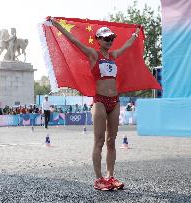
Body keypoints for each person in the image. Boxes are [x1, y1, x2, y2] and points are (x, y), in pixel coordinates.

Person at [49, 17, 140, 191]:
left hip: (115, 101)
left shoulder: (113, 55)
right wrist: (57, 25)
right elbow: (73, 40)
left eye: (111, 38)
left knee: (111, 141)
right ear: (98, 40)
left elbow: (127, 46)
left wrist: (135, 34)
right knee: (99, 141)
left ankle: (110, 176)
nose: (110, 41)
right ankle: (98, 179)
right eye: (106, 38)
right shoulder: (93, 54)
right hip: (99, 101)